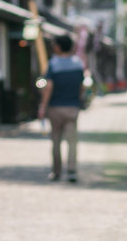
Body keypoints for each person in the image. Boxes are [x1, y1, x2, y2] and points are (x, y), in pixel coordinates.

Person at [38, 34, 85, 183]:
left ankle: (56, 171)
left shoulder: (53, 63)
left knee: (56, 140)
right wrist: (79, 99)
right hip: (72, 107)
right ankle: (72, 170)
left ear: (58, 46)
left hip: (55, 107)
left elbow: (48, 86)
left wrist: (43, 105)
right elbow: (82, 86)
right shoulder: (78, 63)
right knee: (72, 140)